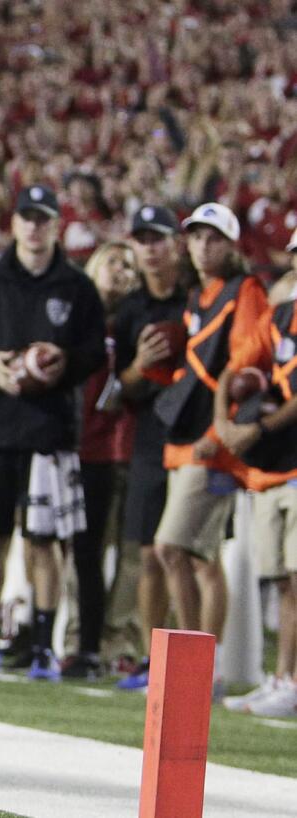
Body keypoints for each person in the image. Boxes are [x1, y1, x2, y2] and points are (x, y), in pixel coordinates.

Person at [0, 185, 107, 680]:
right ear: (14, 223)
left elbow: (96, 353)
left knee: (44, 540)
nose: (34, 227)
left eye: (43, 219)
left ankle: (42, 645)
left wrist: (65, 364)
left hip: (50, 429)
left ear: (56, 225)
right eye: (27, 218)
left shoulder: (77, 286)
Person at [151, 203, 269, 699]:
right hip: (188, 442)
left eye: (213, 238)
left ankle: (198, 666)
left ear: (232, 244)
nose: (203, 246)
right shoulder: (199, 296)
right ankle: (203, 669)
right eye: (196, 237)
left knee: (172, 548)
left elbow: (247, 367)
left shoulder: (245, 291)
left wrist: (221, 433)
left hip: (211, 444)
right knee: (199, 558)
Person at [215, 244, 297, 716]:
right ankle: (281, 676)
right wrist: (226, 423)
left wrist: (258, 428)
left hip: (286, 457)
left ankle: (290, 678)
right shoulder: (283, 315)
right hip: (275, 466)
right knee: (284, 580)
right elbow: (235, 366)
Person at [112, 205, 185, 689]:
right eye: (141, 240)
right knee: (147, 551)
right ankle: (153, 655)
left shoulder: (198, 298)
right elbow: (123, 384)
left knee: (189, 551)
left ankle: (200, 658)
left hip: (195, 434)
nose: (150, 248)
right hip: (149, 434)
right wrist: (142, 363)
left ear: (173, 244)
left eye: (158, 238)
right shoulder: (132, 308)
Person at [64, 240, 138, 679]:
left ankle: (118, 642)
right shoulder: (77, 316)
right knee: (80, 554)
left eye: (128, 265)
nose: (122, 271)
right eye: (113, 261)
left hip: (123, 447)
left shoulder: (135, 320)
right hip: (79, 445)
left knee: (128, 555)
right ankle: (77, 639)